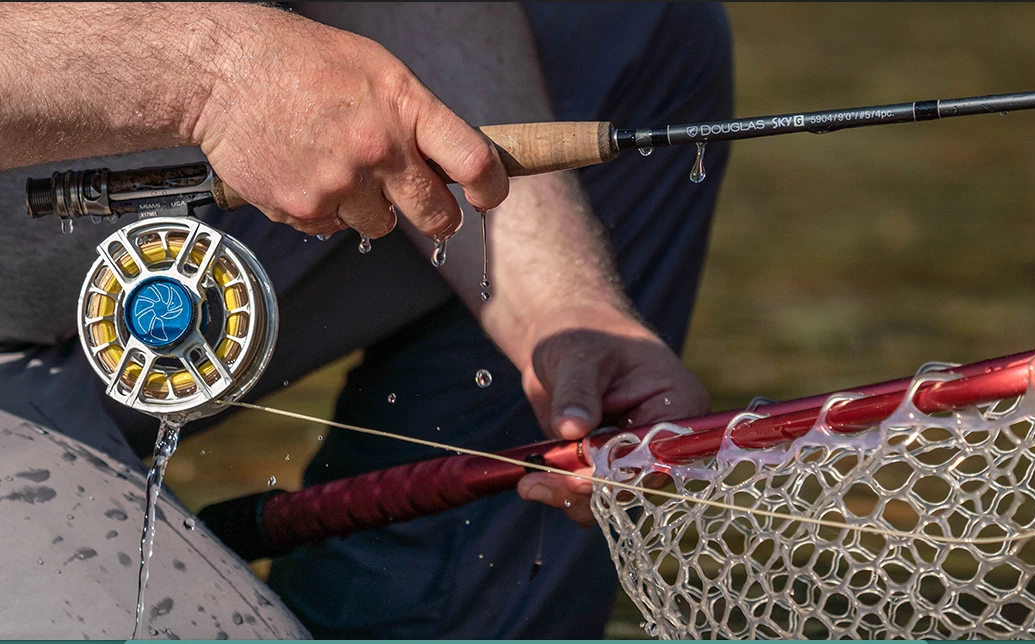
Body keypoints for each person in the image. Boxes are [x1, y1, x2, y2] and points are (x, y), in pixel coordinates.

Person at [0, 2, 730, 639]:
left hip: (158, 249)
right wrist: (215, 76)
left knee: (633, 31)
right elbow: (216, 73)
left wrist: (560, 305)